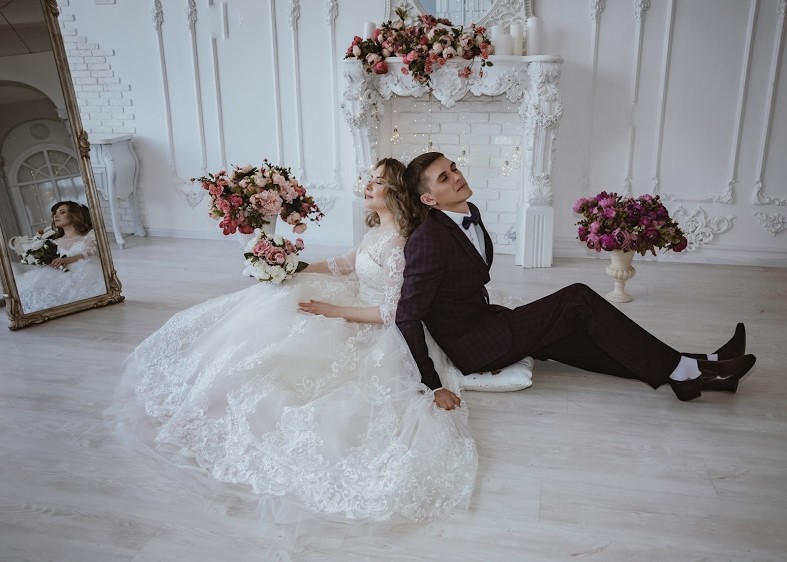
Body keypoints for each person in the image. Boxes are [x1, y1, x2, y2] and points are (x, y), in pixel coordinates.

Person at [107, 158, 477, 524]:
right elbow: (344, 264)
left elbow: (393, 311)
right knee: (280, 302)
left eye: (378, 181)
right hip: (355, 302)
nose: (368, 186)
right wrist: (291, 267)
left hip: (376, 327)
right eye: (370, 178)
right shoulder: (377, 232)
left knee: (304, 355)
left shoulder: (397, 244)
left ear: (396, 193)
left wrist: (333, 311)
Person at [395, 152, 756, 408]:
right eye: (444, 178)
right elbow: (406, 316)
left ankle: (702, 364)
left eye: (454, 168)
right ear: (428, 198)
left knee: (577, 334)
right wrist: (433, 386)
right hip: (476, 346)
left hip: (489, 323)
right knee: (577, 298)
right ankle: (685, 370)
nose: (457, 177)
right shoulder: (428, 240)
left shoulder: (468, 214)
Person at [15, 200, 105, 313]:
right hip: (60, 273)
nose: (56, 216)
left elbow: (91, 252)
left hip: (85, 269)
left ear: (74, 215)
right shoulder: (54, 242)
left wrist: (67, 260)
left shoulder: (89, 235)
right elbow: (50, 258)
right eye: (55, 214)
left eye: (62, 212)